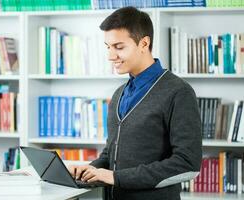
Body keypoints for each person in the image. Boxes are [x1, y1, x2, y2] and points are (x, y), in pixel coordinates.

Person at [68, 6, 202, 200]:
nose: (110, 56)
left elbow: (187, 164)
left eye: (119, 47)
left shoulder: (179, 92)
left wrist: (115, 177)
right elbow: (110, 154)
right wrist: (89, 170)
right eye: (108, 47)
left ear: (144, 43)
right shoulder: (118, 94)